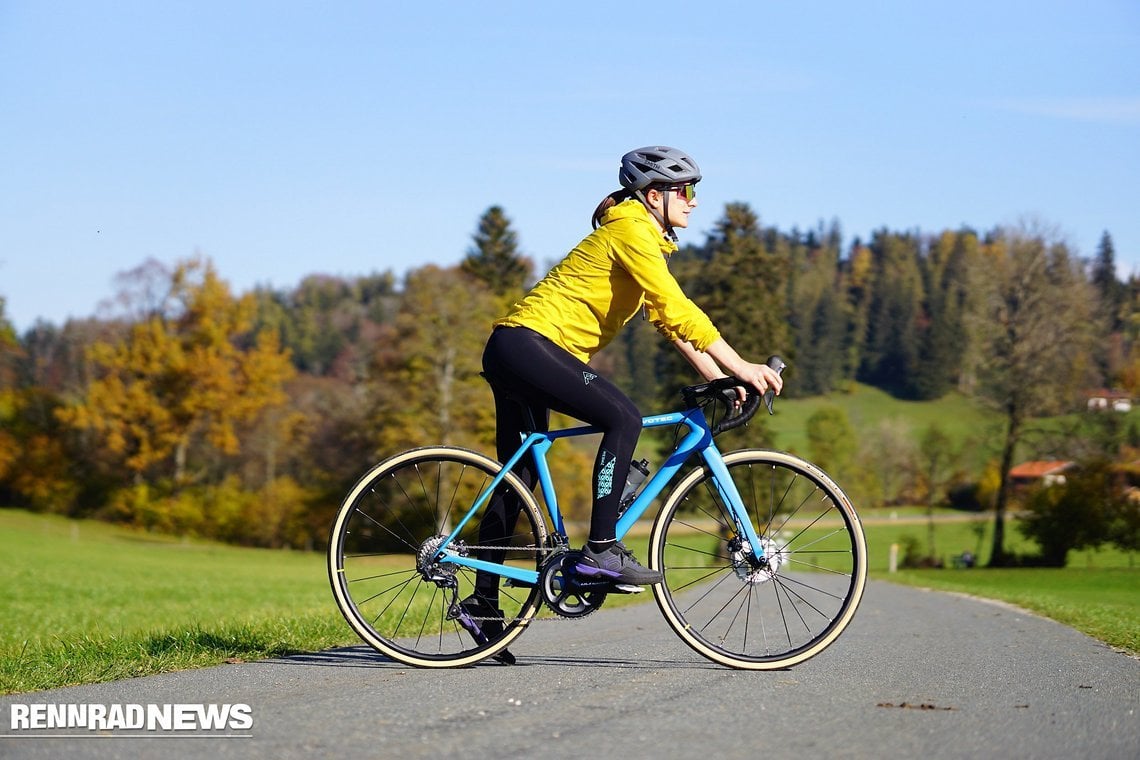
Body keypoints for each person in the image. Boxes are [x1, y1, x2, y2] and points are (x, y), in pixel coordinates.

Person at [467, 146, 783, 628]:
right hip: (528, 345)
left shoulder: (640, 235)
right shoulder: (631, 228)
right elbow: (675, 304)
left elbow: (668, 321)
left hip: (516, 350)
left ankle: (481, 605)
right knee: (623, 417)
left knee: (520, 478)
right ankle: (600, 550)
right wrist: (740, 365)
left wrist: (717, 376)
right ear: (654, 194)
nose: (694, 201)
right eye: (687, 190)